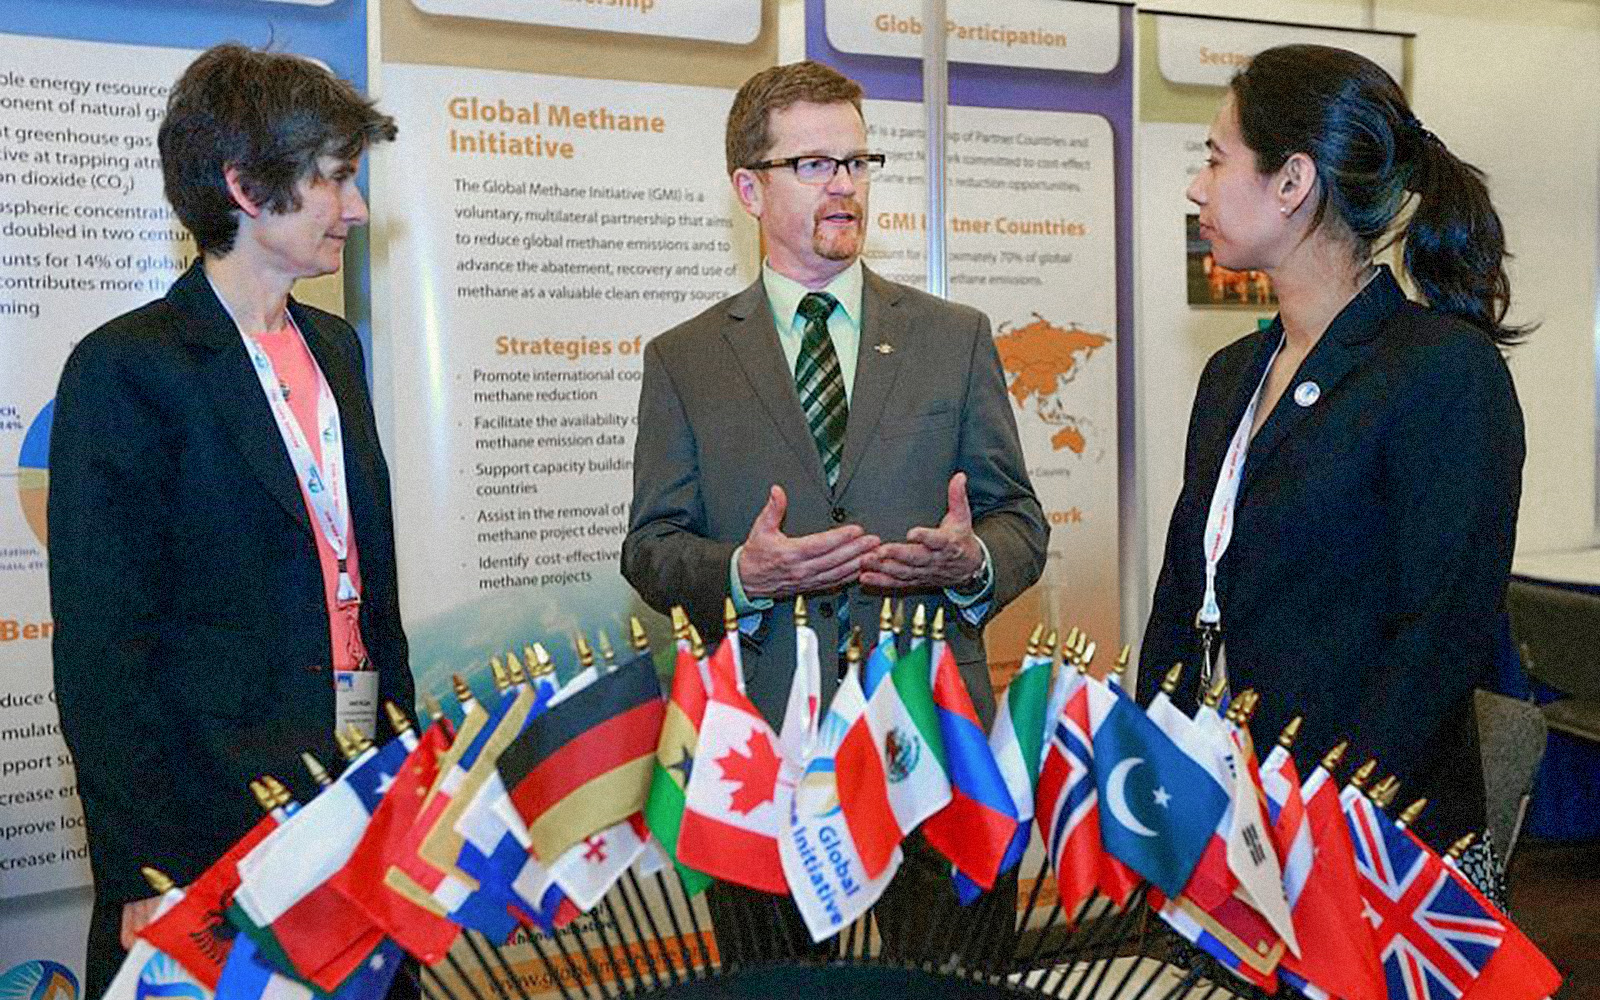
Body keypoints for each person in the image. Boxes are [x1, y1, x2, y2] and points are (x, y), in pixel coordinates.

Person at [621, 60, 1048, 955]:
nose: (845, 185)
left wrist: (970, 564)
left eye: (857, 162)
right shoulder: (685, 360)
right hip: (768, 748)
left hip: (934, 736)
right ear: (749, 186)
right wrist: (744, 570)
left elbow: (1019, 524)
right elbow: (651, 549)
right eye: (814, 164)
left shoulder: (954, 337)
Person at [48, 44, 412, 993]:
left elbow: (370, 587)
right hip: (212, 826)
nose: (358, 208)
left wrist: (405, 771)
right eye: (336, 180)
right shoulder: (127, 371)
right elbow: (102, 650)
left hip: (357, 794)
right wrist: (141, 866)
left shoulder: (335, 349)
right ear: (247, 186)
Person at [1138, 44, 1524, 890]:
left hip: (1373, 850)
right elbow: (1183, 593)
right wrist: (1151, 780)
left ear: (1292, 181)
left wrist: (1324, 818)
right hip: (1234, 828)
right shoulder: (1232, 374)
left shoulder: (1441, 371)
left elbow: (1441, 639)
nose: (1197, 187)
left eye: (1215, 158)